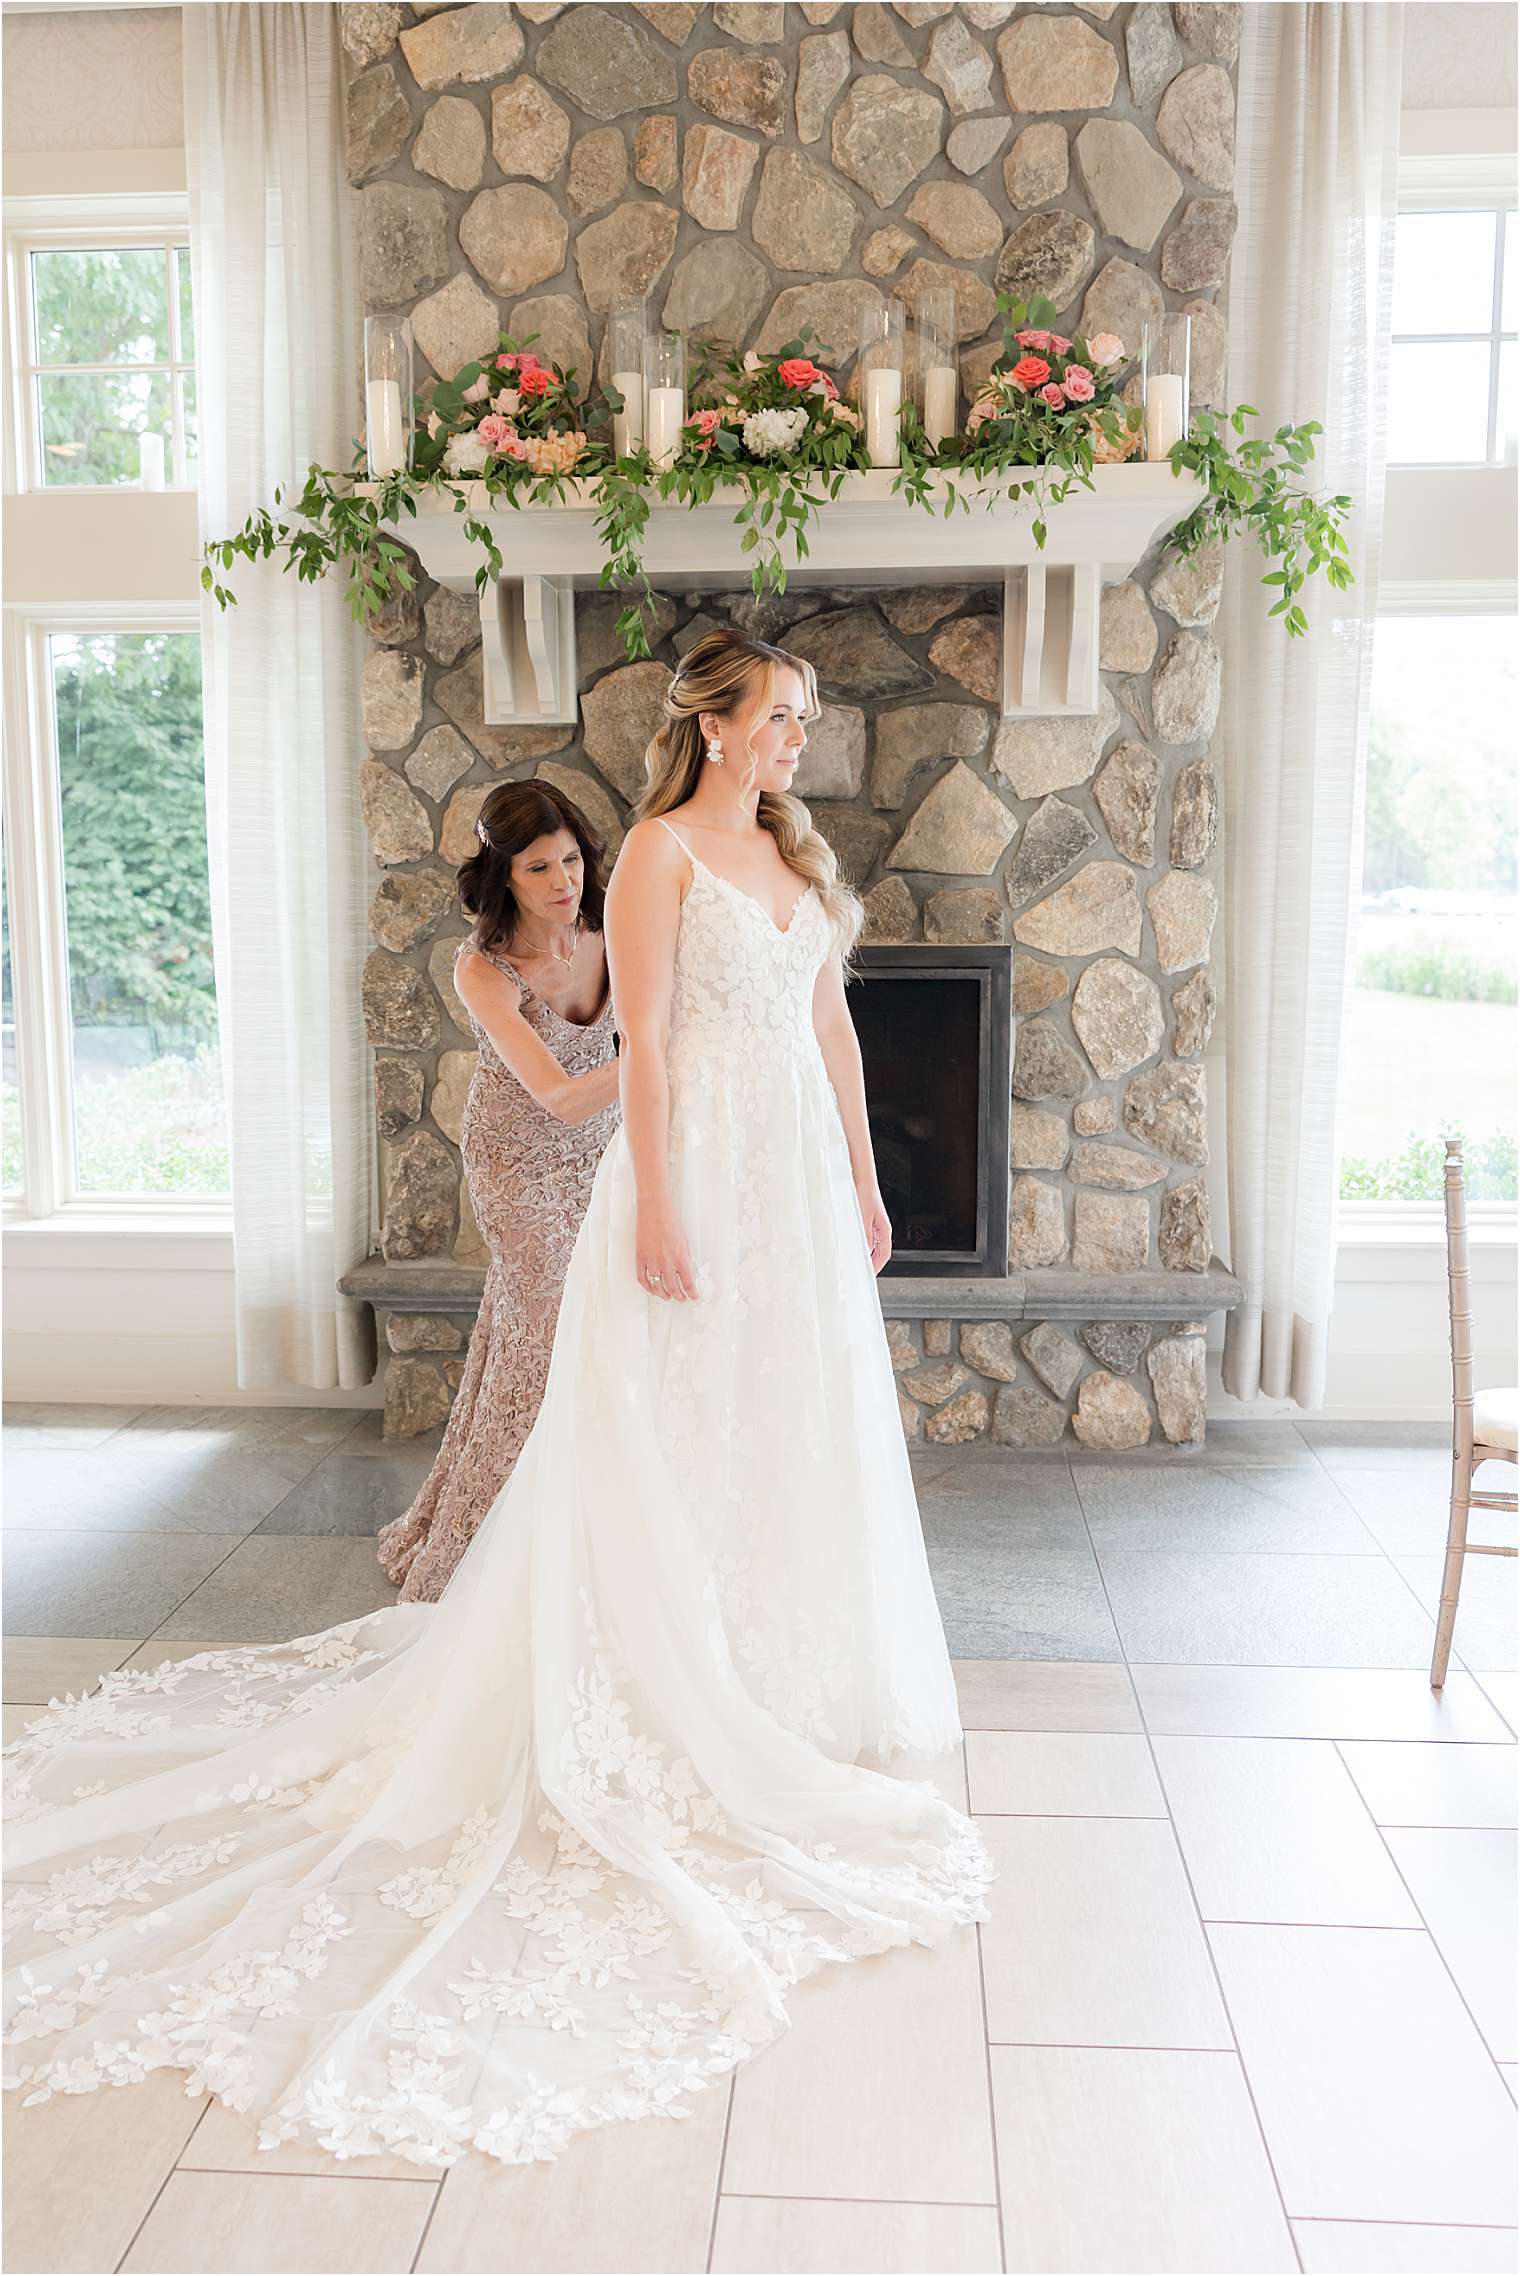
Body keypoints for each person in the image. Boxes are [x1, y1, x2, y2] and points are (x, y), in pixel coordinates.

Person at [2, 628, 993, 2173]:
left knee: (781, 1431)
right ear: (715, 728)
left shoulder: (798, 854)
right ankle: (659, 1696)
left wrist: (870, 1179)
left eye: (806, 716)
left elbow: (832, 1026)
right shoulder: (659, 852)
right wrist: (657, 1207)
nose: (801, 737)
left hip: (794, 1181)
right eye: (780, 717)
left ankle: (776, 1678)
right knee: (668, 1436)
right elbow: (647, 1041)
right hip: (697, 1182)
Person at [377, 780, 620, 1602]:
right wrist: (673, 1057)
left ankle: (585, 1540)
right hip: (516, 1163)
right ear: (503, 876)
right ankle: (476, 1561)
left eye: (572, 860)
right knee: (546, 1334)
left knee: (582, 1335)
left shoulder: (614, 929)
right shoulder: (481, 968)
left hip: (599, 1157)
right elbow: (555, 1094)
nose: (564, 882)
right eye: (538, 868)